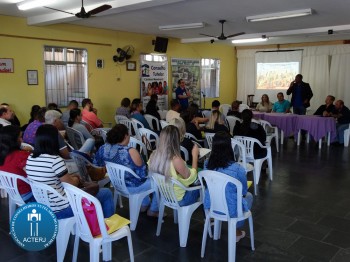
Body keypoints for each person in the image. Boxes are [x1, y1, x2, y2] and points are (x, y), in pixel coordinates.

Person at [26, 125, 114, 219]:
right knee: (106, 193)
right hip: (63, 208)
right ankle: (106, 227)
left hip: (44, 205)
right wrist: (77, 178)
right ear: (54, 140)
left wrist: (72, 178)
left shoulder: (30, 158)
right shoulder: (55, 160)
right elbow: (71, 184)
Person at [93, 124, 159, 217]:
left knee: (140, 179)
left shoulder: (103, 148)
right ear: (125, 136)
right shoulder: (131, 151)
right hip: (132, 187)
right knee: (159, 182)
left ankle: (144, 205)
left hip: (116, 184)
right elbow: (143, 175)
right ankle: (153, 210)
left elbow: (97, 164)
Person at [203, 131, 253, 241]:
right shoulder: (238, 168)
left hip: (211, 205)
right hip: (230, 209)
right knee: (249, 196)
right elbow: (243, 192)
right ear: (229, 147)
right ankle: (236, 230)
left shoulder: (207, 164)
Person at [148, 125, 200, 207]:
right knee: (200, 185)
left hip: (164, 194)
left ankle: (154, 209)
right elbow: (192, 178)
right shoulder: (176, 160)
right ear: (177, 140)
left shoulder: (154, 155)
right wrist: (195, 156)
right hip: (179, 199)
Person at [0, 125, 35, 203]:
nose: (22, 140)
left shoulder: (3, 154)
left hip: (13, 193)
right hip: (28, 195)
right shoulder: (21, 156)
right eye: (19, 137)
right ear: (13, 140)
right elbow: (34, 176)